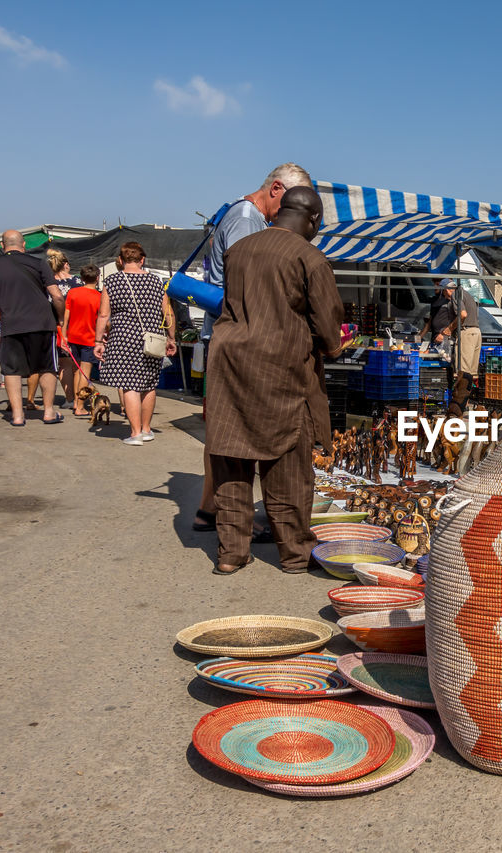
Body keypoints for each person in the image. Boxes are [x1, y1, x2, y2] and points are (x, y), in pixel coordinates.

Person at [204, 186, 345, 575]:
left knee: (231, 465)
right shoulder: (310, 258)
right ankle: (295, 555)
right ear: (313, 220)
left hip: (229, 367)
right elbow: (328, 330)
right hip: (280, 370)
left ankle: (231, 555)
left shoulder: (238, 251)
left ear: (280, 210)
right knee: (287, 469)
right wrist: (335, 345)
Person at [193, 162, 313, 537]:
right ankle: (229, 520)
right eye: (291, 203)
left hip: (230, 337)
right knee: (242, 437)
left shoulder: (240, 214)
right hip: (241, 343)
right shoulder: (247, 219)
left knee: (228, 433)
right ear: (276, 189)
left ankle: (212, 511)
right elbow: (250, 289)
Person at [0, 230, 64, 427]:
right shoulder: (39, 263)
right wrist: (61, 319)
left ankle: (18, 416)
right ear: (23, 246)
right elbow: (57, 296)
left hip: (12, 324)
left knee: (11, 369)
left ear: (3, 247)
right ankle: (48, 412)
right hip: (42, 323)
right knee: (47, 366)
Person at [93, 242, 177, 445]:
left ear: (120, 261)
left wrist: (98, 340)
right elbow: (168, 313)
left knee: (129, 384)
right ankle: (147, 429)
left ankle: (135, 433)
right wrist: (171, 338)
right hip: (152, 340)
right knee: (149, 385)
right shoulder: (156, 282)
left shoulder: (112, 281)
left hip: (123, 339)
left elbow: (103, 314)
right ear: (142, 260)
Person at [420, 278, 480, 414]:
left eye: (443, 293)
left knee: (462, 373)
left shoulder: (454, 295)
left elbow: (463, 314)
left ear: (446, 289)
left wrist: (448, 329)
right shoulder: (466, 293)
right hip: (476, 332)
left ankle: (458, 408)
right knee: (469, 374)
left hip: (466, 333)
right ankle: (465, 404)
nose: (444, 296)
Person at [61, 264, 102, 416]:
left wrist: (64, 335)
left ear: (82, 278)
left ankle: (76, 403)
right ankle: (79, 406)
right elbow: (101, 319)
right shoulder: (99, 297)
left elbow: (66, 315)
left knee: (77, 370)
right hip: (89, 338)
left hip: (73, 336)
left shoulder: (73, 293)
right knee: (85, 372)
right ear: (97, 278)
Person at [46, 249, 81, 408]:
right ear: (65, 264)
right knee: (78, 364)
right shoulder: (76, 281)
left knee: (64, 364)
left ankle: (69, 399)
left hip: (56, 326)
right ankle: (79, 400)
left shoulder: (47, 283)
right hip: (76, 325)